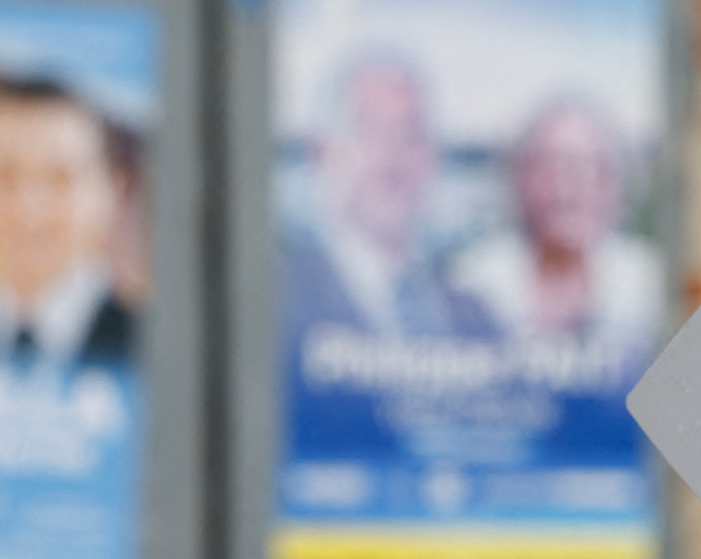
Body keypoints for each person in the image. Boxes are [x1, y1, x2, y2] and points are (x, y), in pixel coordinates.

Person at [0, 79, 136, 367]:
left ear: (112, 190)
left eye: (59, 178)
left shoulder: (152, 349)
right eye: (5, 176)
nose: (29, 207)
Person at [280, 55, 493, 341]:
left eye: (411, 133)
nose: (392, 156)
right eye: (371, 131)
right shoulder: (277, 296)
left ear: (432, 158)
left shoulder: (476, 316)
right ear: (321, 152)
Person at [451, 98, 661, 360]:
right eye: (550, 164)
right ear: (519, 179)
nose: (566, 185)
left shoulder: (652, 285)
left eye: (587, 166)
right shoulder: (470, 287)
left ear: (614, 186)